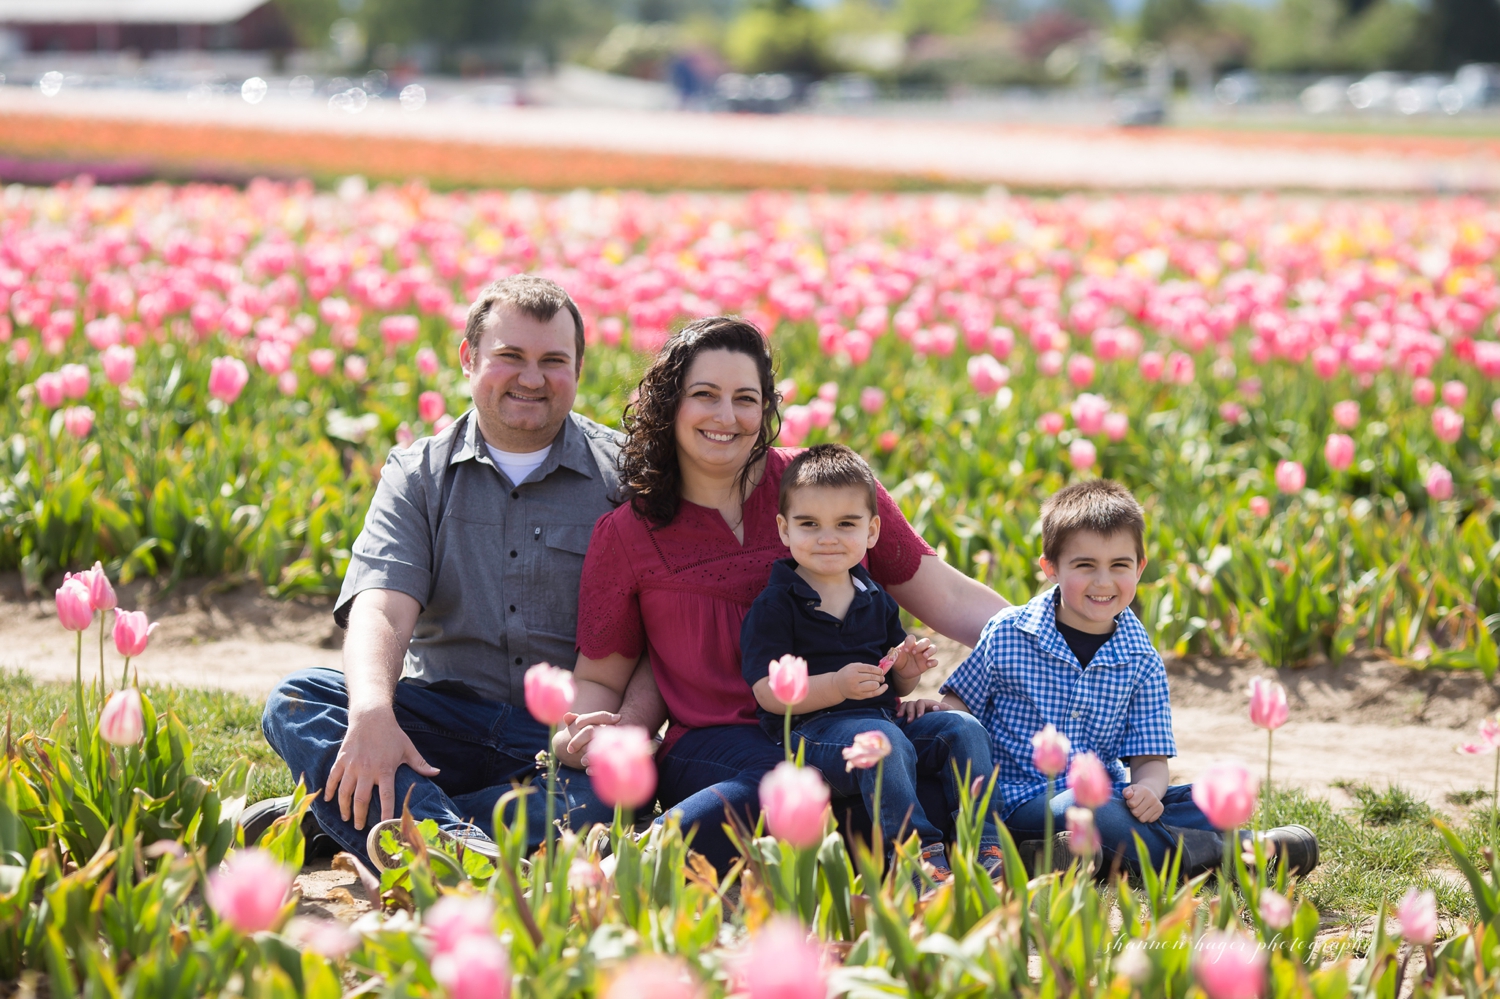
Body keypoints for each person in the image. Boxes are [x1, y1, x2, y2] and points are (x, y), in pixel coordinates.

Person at [558, 316, 1011, 874]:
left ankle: (917, 864)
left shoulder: (823, 489)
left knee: (935, 769)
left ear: (766, 408)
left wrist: (1059, 635)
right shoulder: (630, 533)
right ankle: (628, 864)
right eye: (705, 395)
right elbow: (601, 676)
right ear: (669, 405)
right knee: (779, 787)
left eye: (745, 399)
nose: (727, 417)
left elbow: (947, 595)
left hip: (850, 726)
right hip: (719, 744)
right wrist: (577, 735)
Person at [252, 275, 662, 867]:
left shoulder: (625, 478)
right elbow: (382, 605)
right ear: (469, 358)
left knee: (612, 793)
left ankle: (367, 821)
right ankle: (455, 843)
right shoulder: (418, 473)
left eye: (553, 360)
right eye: (510, 357)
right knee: (298, 700)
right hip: (438, 725)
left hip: (557, 744)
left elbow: (659, 629)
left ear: (578, 366)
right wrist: (372, 712)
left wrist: (621, 731)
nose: (531, 378)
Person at [925, 479, 1317, 876]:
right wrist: (935, 711)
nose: (1103, 582)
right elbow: (961, 710)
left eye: (1119, 565)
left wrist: (1148, 790)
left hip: (1108, 795)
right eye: (1084, 566)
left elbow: (1150, 757)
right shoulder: (1009, 632)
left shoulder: (1141, 658)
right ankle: (1229, 853)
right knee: (1087, 809)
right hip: (1019, 802)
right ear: (1050, 568)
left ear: (1140, 567)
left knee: (1197, 800)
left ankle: (1052, 856)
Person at [740, 444, 1006, 881]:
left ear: (872, 530)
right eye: (810, 524)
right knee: (881, 740)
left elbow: (892, 684)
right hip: (814, 739)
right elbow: (768, 694)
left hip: (885, 728)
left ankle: (985, 843)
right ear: (785, 530)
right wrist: (837, 687)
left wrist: (906, 673)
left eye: (846, 524)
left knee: (963, 727)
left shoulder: (874, 597)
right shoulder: (776, 605)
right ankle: (916, 858)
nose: (828, 537)